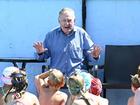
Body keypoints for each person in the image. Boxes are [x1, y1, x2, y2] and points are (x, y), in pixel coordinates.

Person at [33, 7, 100, 76]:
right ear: (59, 21)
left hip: (77, 75)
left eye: (69, 20)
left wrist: (94, 56)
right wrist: (40, 53)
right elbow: (42, 57)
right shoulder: (51, 35)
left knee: (89, 83)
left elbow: (91, 55)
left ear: (74, 21)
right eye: (64, 20)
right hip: (56, 76)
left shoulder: (82, 34)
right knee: (39, 81)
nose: (67, 23)